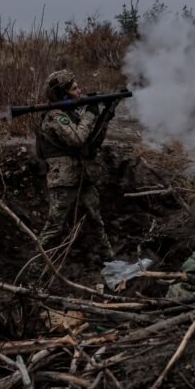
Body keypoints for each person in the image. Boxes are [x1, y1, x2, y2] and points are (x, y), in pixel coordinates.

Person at [34, 69, 117, 261]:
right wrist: (89, 113)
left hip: (83, 176)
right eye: (74, 88)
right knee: (54, 228)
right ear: (64, 94)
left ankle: (110, 261)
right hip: (63, 181)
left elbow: (92, 143)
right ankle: (35, 269)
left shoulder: (70, 113)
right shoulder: (55, 116)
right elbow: (78, 138)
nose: (79, 91)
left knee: (97, 222)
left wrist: (105, 114)